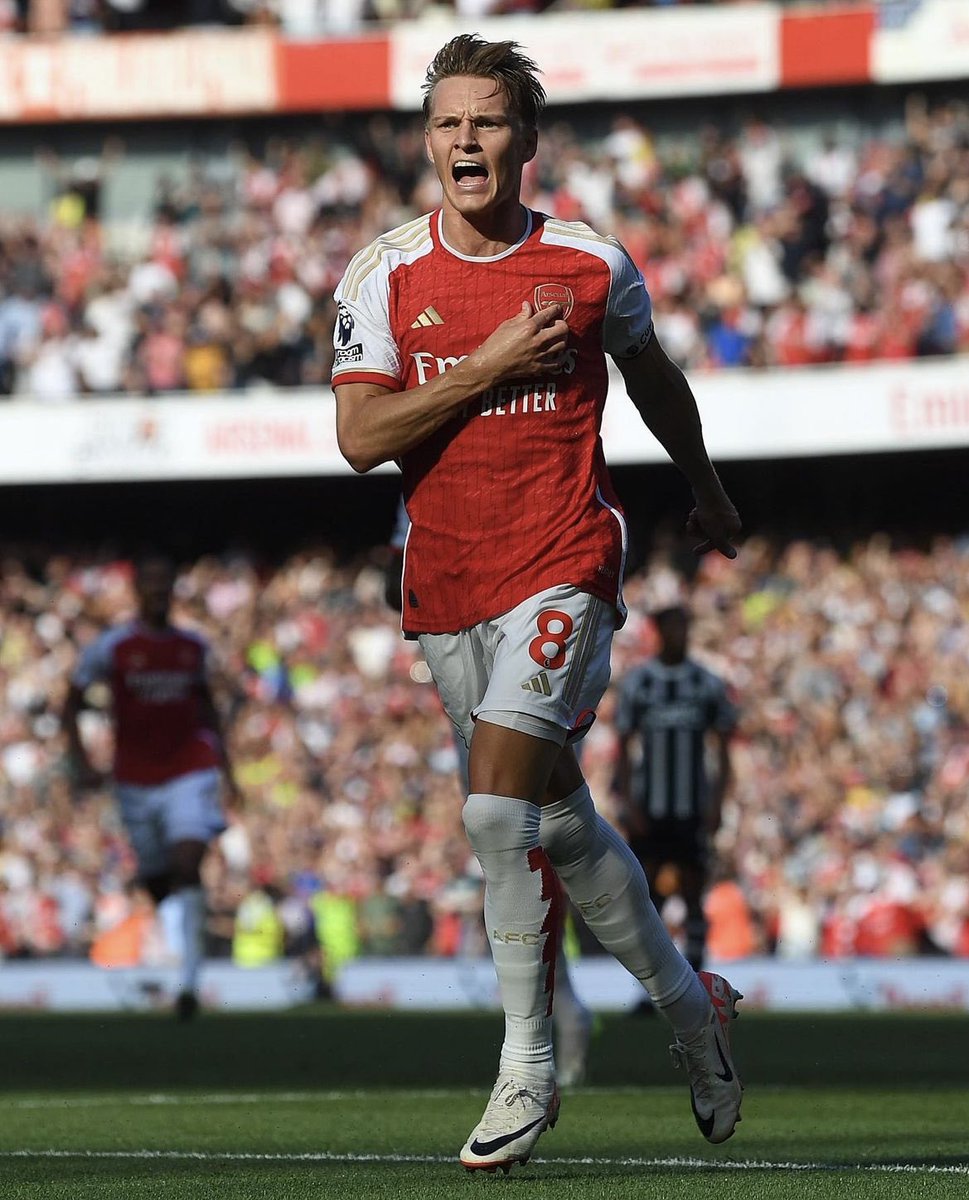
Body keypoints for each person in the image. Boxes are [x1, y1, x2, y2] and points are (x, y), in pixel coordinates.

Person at [332, 34, 745, 1172]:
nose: (466, 140)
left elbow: (655, 377)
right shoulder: (382, 274)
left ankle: (527, 1063)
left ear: (526, 140)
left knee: (492, 813)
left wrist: (706, 487)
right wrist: (486, 367)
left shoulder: (588, 265)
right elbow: (361, 440)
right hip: (446, 584)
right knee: (552, 821)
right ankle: (692, 1009)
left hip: (566, 557)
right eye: (447, 121)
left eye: (489, 121)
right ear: (428, 139)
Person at [385, 495, 594, 1087]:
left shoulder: (513, 459)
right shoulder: (427, 482)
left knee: (544, 832)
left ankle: (555, 1028)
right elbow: (394, 585)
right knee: (507, 840)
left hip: (525, 658)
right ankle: (548, 1024)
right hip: (468, 680)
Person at [63, 555, 241, 1021]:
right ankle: (180, 945)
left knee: (187, 862)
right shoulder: (113, 647)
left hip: (189, 768)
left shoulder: (192, 647)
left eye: (167, 584)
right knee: (157, 877)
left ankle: (189, 984)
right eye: (152, 584)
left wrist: (230, 770)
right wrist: (81, 760)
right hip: (135, 777)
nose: (159, 593)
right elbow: (72, 700)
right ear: (138, 591)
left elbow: (208, 709)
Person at [614, 604, 738, 985]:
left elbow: (723, 749)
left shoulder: (707, 683)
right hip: (650, 806)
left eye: (684, 627)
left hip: (691, 806)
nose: (679, 635)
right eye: (672, 628)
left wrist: (717, 802)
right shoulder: (639, 683)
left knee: (694, 890)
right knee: (649, 897)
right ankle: (650, 987)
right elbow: (623, 747)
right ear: (658, 633)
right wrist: (628, 802)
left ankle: (699, 981)